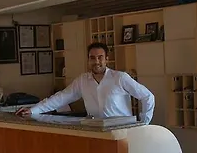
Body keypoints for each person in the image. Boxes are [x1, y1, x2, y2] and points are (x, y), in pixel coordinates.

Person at [16, 42, 155, 123]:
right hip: (96, 131)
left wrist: (143, 122)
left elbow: (147, 96)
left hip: (122, 132)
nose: (96, 61)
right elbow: (61, 98)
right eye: (92, 58)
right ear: (88, 60)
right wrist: (33, 110)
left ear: (107, 59)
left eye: (100, 57)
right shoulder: (82, 80)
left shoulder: (120, 77)